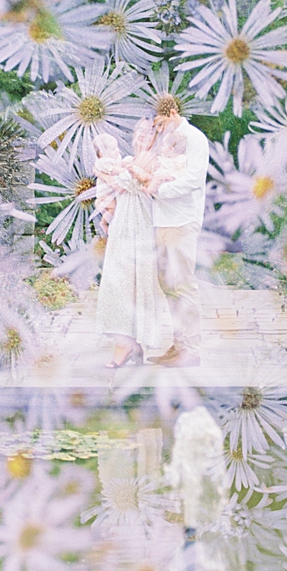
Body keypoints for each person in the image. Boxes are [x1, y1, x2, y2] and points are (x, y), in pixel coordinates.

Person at [136, 94, 210, 368]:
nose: (159, 129)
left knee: (183, 283)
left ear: (173, 111)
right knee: (167, 284)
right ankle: (178, 344)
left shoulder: (195, 139)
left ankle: (191, 349)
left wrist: (158, 191)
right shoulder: (164, 143)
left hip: (182, 219)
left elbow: (193, 179)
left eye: (161, 122)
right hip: (161, 220)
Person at [92, 126, 173, 368]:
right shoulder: (128, 160)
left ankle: (134, 341)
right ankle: (125, 341)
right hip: (123, 226)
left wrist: (107, 175)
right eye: (138, 131)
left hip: (141, 226)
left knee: (138, 283)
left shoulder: (152, 161)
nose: (141, 136)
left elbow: (126, 183)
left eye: (148, 133)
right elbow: (114, 184)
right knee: (119, 282)